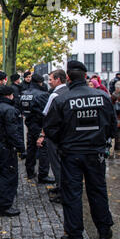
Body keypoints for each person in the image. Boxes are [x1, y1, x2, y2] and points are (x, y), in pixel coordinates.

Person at [44, 60, 116, 239]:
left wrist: (65, 141)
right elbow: (112, 125)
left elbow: (50, 128)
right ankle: (104, 229)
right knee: (98, 190)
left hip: (72, 154)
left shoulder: (62, 99)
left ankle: (75, 236)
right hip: (95, 153)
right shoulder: (102, 97)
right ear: (85, 76)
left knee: (72, 194)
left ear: (67, 78)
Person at [0, 86, 25, 216]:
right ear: (9, 95)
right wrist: (21, 148)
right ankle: (4, 206)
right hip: (6, 147)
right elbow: (13, 132)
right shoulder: (10, 110)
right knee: (8, 175)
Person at [38, 69, 69, 203]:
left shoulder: (54, 95)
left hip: (55, 136)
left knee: (56, 165)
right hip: (68, 136)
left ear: (58, 79)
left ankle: (62, 191)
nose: (49, 82)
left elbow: (47, 117)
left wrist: (42, 135)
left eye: (51, 79)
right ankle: (62, 188)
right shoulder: (70, 92)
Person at [20, 74, 55, 183]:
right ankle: (43, 175)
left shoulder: (24, 94)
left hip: (30, 124)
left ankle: (30, 172)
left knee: (31, 149)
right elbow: (46, 112)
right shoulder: (43, 95)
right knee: (43, 150)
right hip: (40, 125)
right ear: (40, 82)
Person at [10, 73, 26, 157]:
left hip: (17, 111)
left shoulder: (15, 88)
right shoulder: (15, 89)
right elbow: (17, 101)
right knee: (19, 131)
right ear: (16, 80)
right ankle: (21, 150)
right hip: (17, 112)